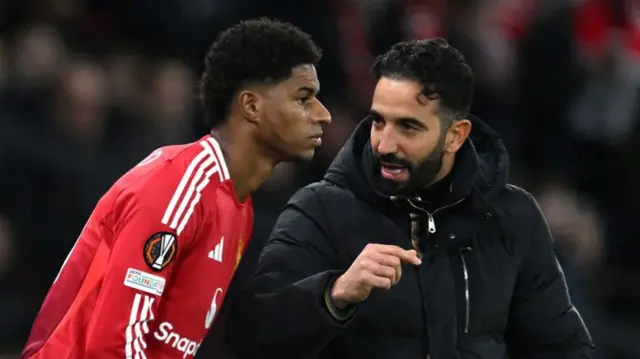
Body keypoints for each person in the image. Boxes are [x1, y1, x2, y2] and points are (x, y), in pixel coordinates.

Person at [225, 38, 594, 359]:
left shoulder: (511, 217)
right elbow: (253, 339)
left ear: (456, 135)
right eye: (379, 121)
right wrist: (333, 295)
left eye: (408, 127)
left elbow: (560, 347)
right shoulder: (319, 211)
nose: (385, 144)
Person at [20, 18, 330, 359]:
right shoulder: (180, 185)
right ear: (251, 106)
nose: (323, 115)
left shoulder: (238, 208)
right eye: (304, 98)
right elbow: (112, 346)